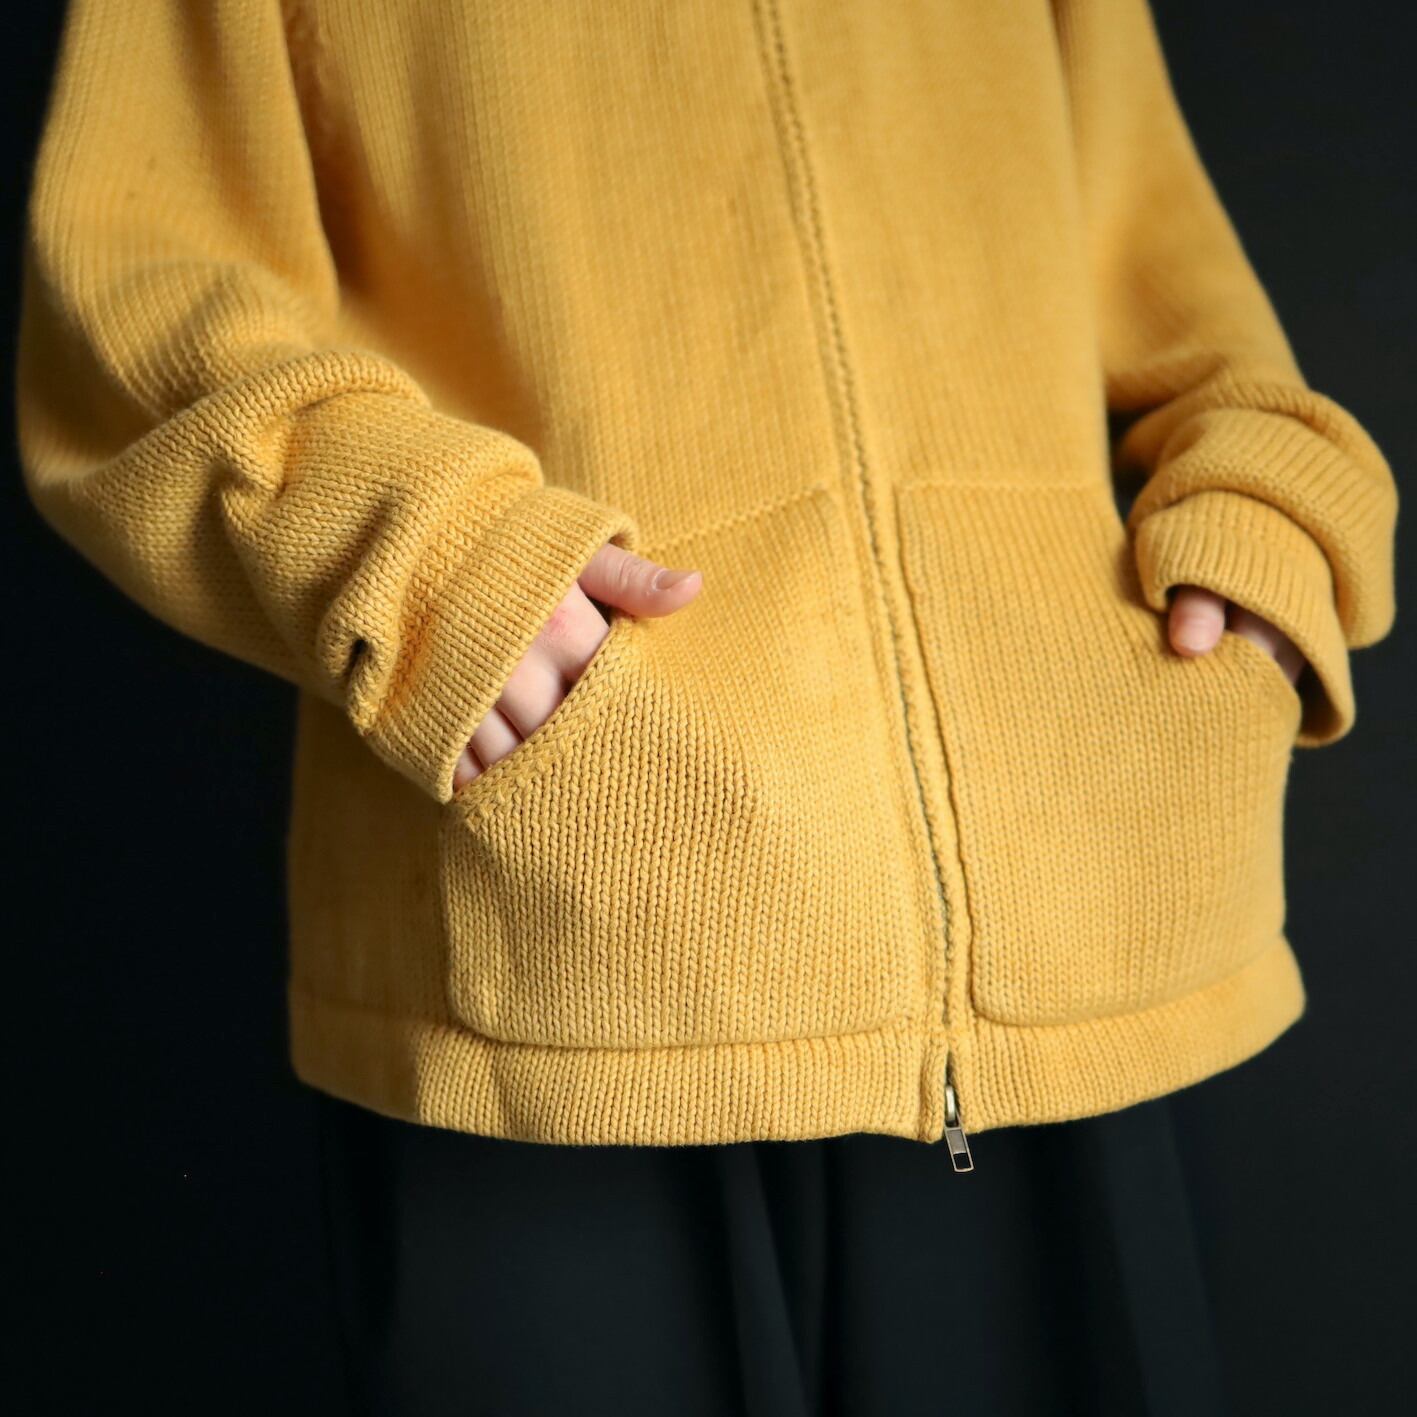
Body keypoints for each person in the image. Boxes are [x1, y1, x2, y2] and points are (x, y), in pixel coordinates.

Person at [16, 1, 1397, 1414]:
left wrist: (1270, 512)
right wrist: (434, 566)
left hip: (1071, 936)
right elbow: (128, 284)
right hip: (558, 954)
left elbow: (1173, 274)